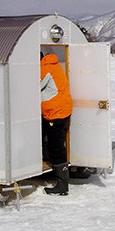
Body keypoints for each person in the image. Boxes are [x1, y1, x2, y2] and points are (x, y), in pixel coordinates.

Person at [40, 52, 73, 195]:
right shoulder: (54, 65)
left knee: (56, 146)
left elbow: (33, 86)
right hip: (61, 109)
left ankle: (62, 185)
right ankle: (60, 179)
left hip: (55, 112)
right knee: (56, 142)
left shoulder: (44, 67)